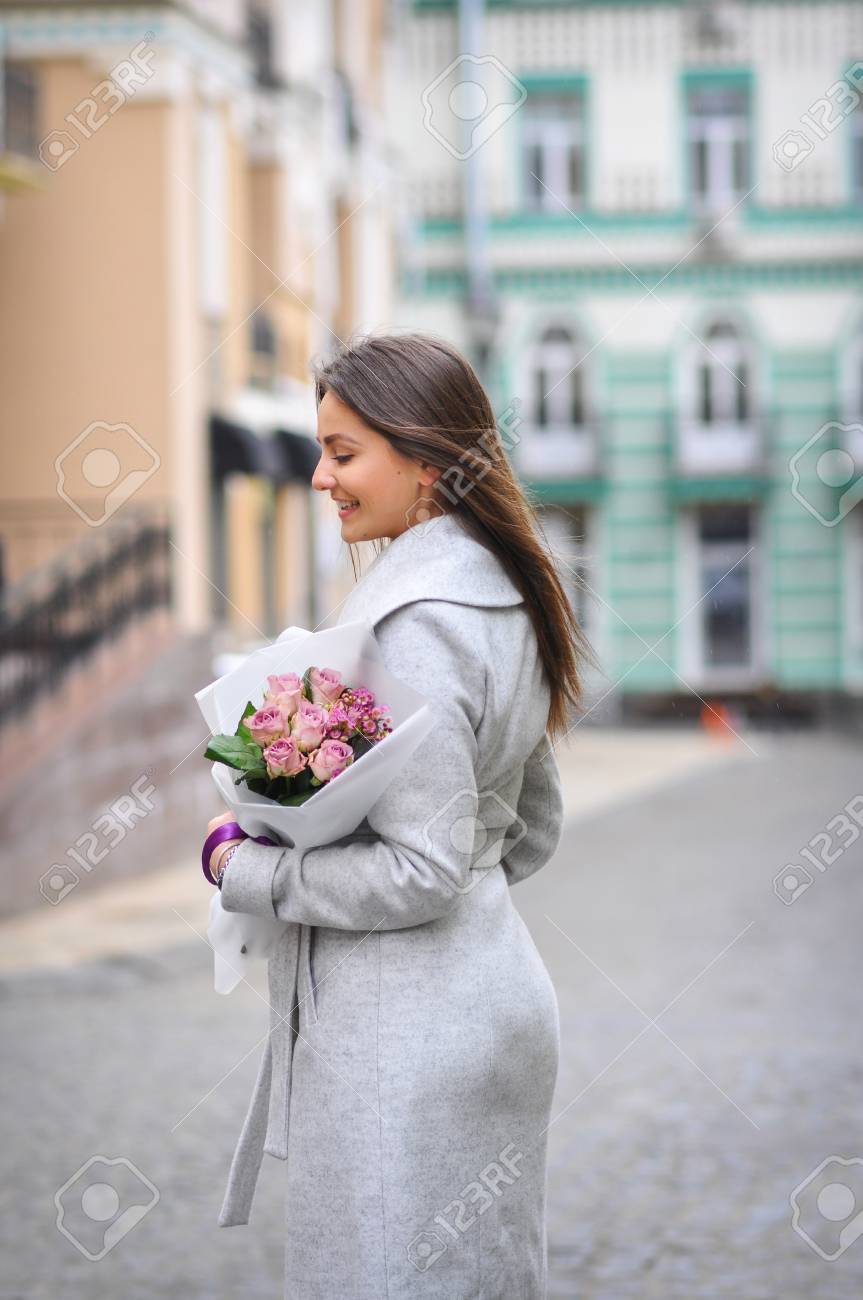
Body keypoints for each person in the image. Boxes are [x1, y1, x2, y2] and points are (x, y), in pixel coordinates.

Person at [203, 332, 595, 1299]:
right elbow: (528, 830)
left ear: (424, 461)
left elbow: (420, 869)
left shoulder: (409, 623)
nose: (319, 477)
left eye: (343, 453)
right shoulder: (507, 592)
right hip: (495, 1005)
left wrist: (247, 866)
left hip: (403, 1035)